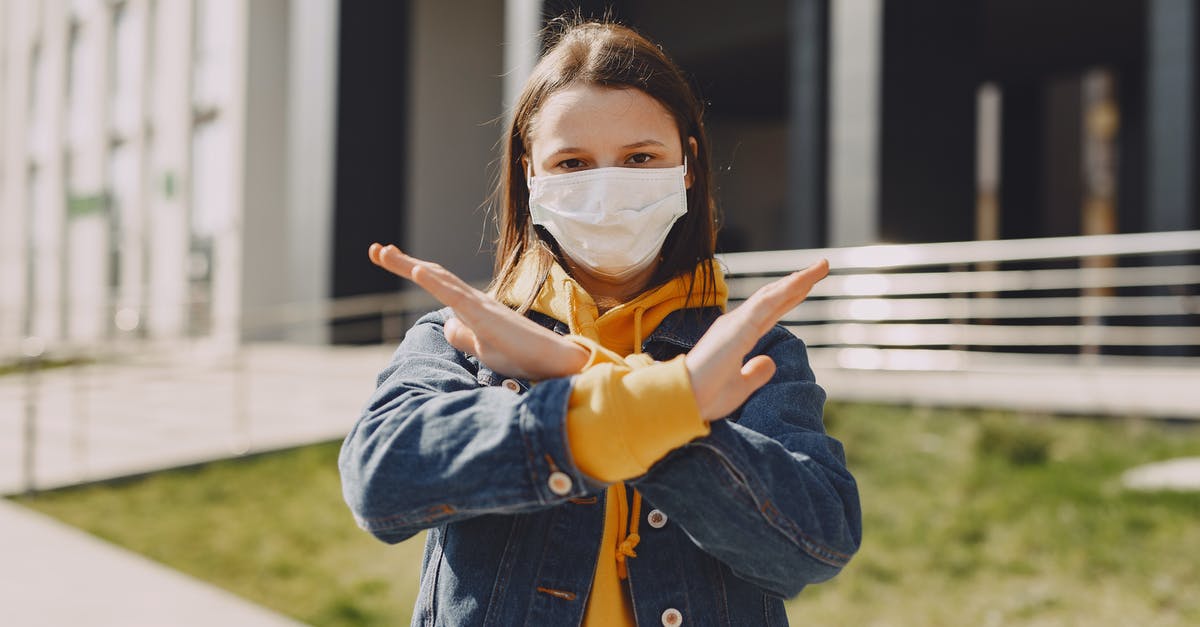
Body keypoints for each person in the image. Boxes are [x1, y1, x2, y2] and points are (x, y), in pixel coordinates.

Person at [339, 18, 861, 627]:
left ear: (687, 165)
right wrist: (671, 404)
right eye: (572, 163)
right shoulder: (459, 340)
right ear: (529, 173)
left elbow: (815, 545)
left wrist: (575, 372)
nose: (607, 186)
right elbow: (381, 483)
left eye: (641, 158)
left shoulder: (758, 352)